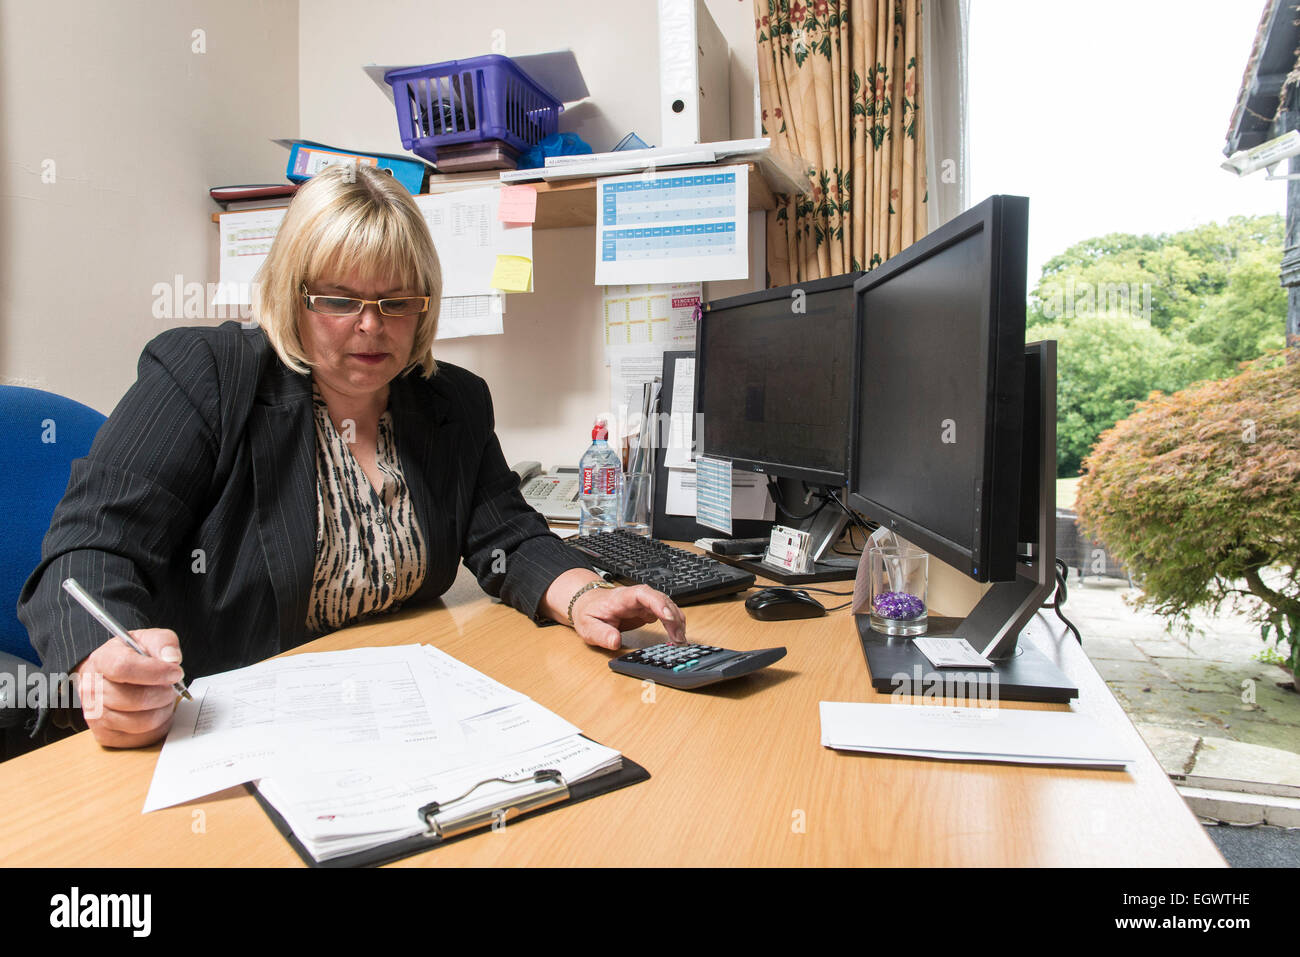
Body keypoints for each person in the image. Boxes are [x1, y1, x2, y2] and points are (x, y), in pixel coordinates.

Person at [18, 164, 685, 749]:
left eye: (395, 302)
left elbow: (505, 530)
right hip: (213, 728)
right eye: (339, 299)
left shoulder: (451, 401)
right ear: (293, 295)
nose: (371, 325)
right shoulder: (210, 379)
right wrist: (100, 664)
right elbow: (88, 550)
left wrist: (585, 595)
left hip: (381, 721)